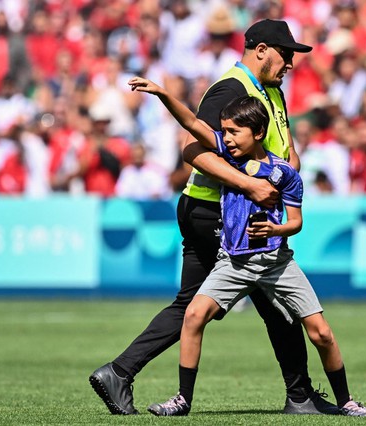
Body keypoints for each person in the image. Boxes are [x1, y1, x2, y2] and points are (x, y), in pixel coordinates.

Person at [89, 19, 337, 416]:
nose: (291, 62)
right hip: (216, 211)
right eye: (285, 53)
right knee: (277, 300)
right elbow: (192, 148)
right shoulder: (231, 89)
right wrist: (249, 185)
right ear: (260, 50)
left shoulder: (269, 90)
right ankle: (300, 395)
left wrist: (289, 164)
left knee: (195, 303)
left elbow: (281, 147)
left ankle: (119, 372)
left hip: (218, 210)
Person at [127, 78, 366, 417]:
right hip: (234, 261)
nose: (225, 138)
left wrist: (276, 228)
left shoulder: (285, 173)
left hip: (276, 263)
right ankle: (183, 399)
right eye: (224, 131)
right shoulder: (228, 155)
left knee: (321, 334)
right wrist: (164, 94)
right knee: (194, 315)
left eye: (232, 132)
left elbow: (296, 222)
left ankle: (346, 401)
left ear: (257, 133)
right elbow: (191, 123)